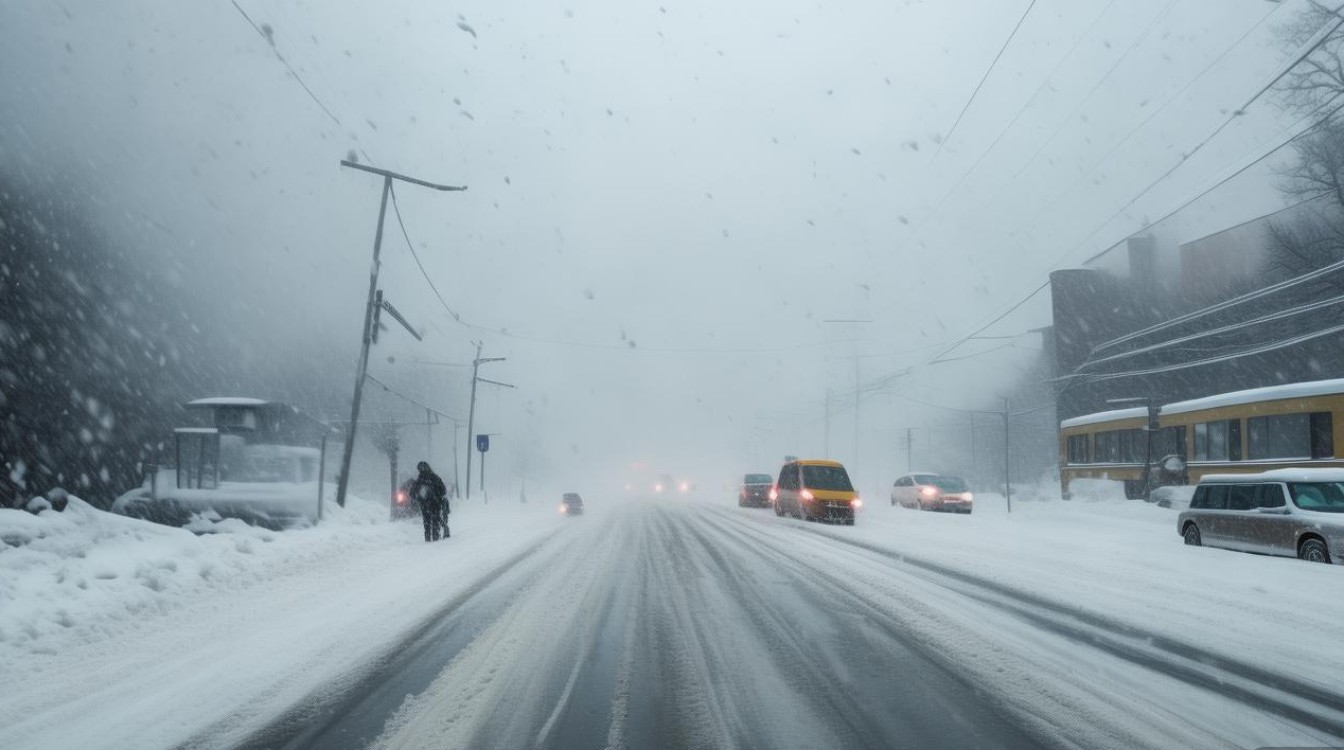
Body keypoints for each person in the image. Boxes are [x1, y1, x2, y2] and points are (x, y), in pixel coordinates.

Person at [411, 461, 448, 542]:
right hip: (435, 504)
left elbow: (412, 492)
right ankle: (435, 538)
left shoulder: (419, 480)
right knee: (435, 521)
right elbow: (443, 490)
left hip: (425, 504)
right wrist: (437, 497)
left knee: (427, 522)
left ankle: (428, 540)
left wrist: (419, 498)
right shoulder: (434, 477)